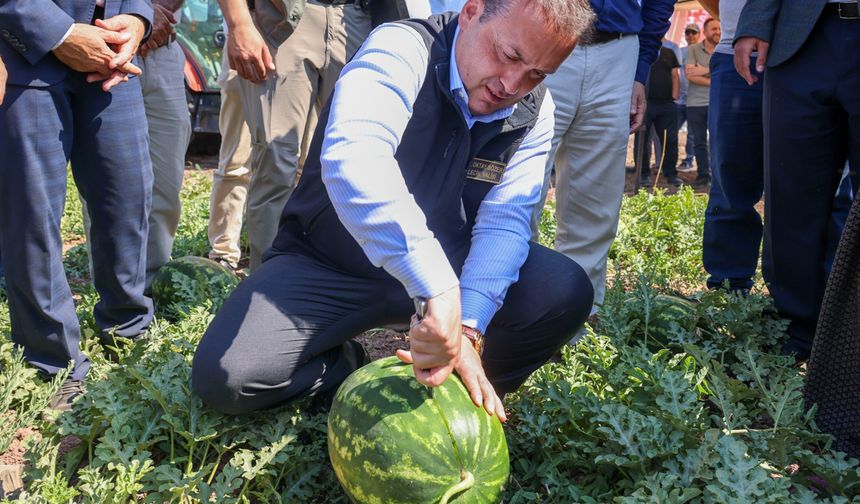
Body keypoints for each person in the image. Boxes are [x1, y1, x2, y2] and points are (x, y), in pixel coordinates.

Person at [192, 0, 596, 419]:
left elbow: (505, 222)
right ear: (472, 11)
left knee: (561, 289)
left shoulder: (535, 110)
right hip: (332, 261)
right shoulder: (402, 48)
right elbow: (355, 159)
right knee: (228, 377)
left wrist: (468, 327)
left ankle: (457, 392)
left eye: (536, 74)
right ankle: (346, 369)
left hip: (451, 266)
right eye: (509, 55)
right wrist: (437, 287)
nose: (512, 84)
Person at [0, 0, 155, 410]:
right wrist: (59, 33)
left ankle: (127, 326)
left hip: (112, 59)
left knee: (127, 197)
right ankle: (52, 361)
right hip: (25, 55)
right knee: (32, 216)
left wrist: (137, 19)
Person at [529, 0, 675, 317]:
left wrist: (640, 70)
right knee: (517, 189)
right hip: (542, 30)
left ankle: (576, 320)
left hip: (618, 51)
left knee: (595, 203)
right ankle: (503, 310)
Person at [735, 0, 859, 359]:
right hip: (803, 39)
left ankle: (849, 335)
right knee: (791, 191)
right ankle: (795, 330)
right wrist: (755, 20)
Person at [218, 0, 373, 270]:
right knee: (275, 164)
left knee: (359, 159)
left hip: (356, 17)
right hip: (283, 18)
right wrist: (239, 23)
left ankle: (346, 277)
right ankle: (267, 282)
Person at [207, 22, 252, 275]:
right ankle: (223, 252)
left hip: (302, 42)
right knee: (236, 158)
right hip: (245, 38)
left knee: (300, 160)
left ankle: (285, 248)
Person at [635, 41, 681, 187]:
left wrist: (674, 98)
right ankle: (643, 174)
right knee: (642, 140)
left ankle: (670, 173)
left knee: (670, 140)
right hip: (645, 103)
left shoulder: (669, 53)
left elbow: (675, 75)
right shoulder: (640, 52)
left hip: (666, 104)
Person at [685, 17, 720, 187]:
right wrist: (716, 77)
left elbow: (728, 74)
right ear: (704, 32)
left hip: (717, 103)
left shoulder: (725, 49)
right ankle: (703, 175)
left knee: (717, 140)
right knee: (699, 142)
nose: (718, 32)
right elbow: (690, 75)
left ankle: (717, 176)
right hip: (696, 103)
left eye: (719, 28)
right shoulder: (693, 49)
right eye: (714, 29)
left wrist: (703, 70)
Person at [677, 23, 699, 173]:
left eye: (693, 32)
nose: (690, 35)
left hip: (695, 99)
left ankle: (689, 160)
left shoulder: (702, 51)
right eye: (687, 32)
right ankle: (668, 161)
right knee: (672, 131)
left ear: (699, 34)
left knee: (692, 134)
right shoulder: (680, 51)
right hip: (679, 99)